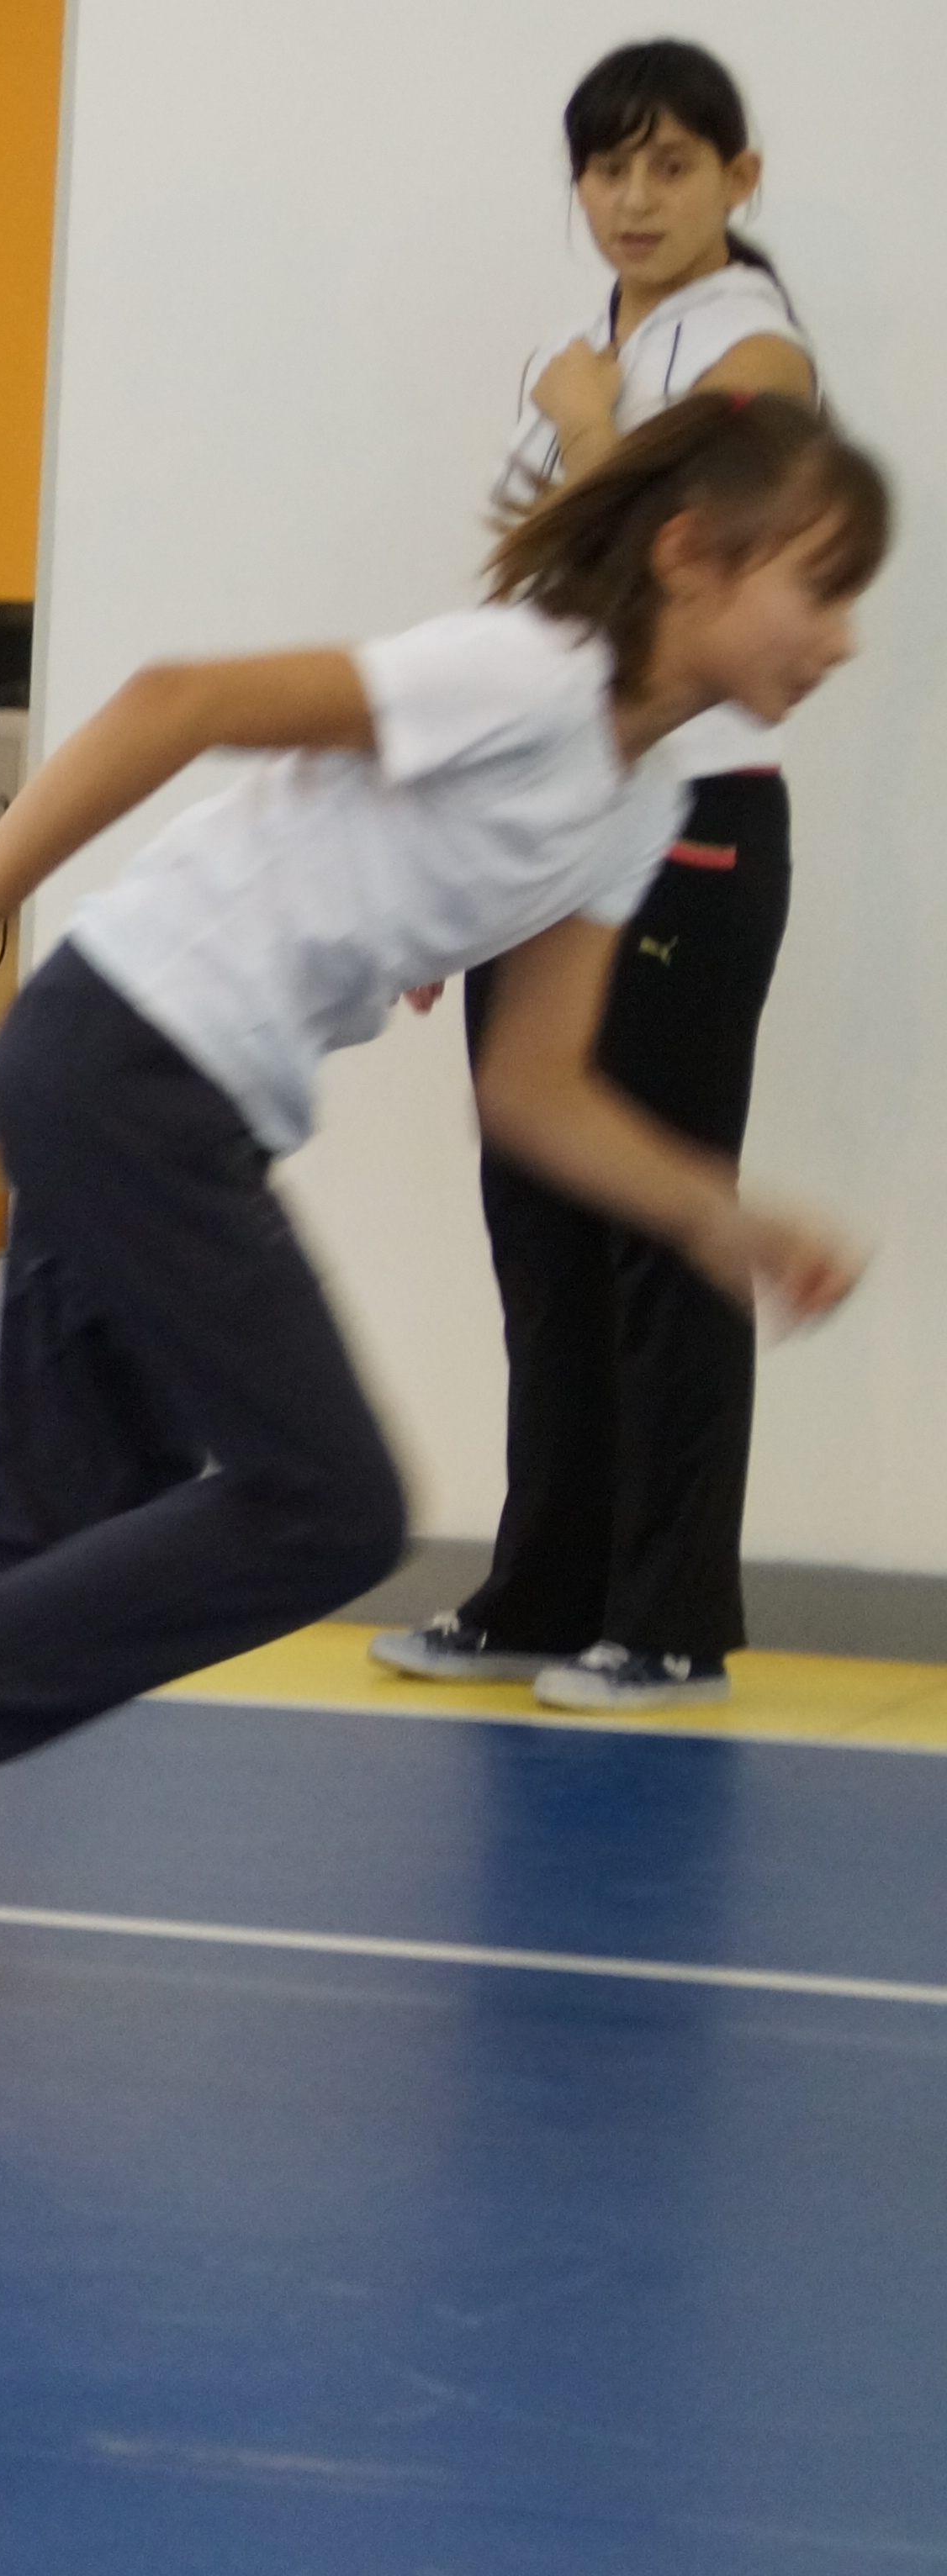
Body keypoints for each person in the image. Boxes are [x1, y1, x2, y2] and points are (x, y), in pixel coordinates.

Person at [0, 395, 884, 2038]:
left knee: (64, 1531)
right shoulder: (525, 673)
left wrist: (712, 1219)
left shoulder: (638, 799)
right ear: (690, 553)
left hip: (162, 1085)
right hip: (127, 1057)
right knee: (328, 1504)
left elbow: (534, 1085)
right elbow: (178, 701)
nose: (840, 637)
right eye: (819, 584)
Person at [375, 39, 818, 1714]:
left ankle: (672, 1618)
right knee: (540, 1222)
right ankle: (544, 1587)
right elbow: (534, 613)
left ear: (737, 179)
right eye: (607, 167)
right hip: (547, 821)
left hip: (686, 823)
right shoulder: (596, 349)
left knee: (656, 1213)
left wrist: (582, 426)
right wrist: (459, 849)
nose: (633, 198)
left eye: (670, 164)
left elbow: (661, 574)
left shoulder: (753, 350)